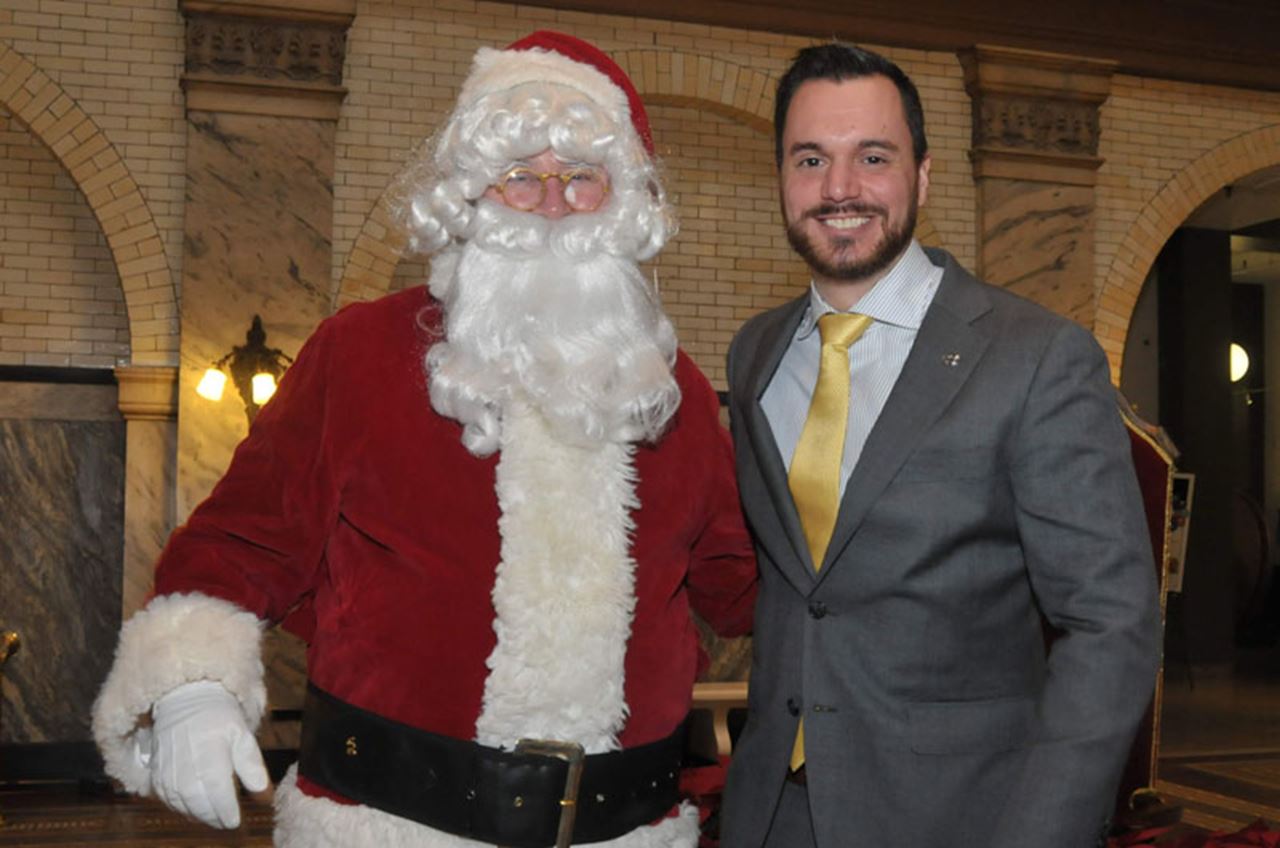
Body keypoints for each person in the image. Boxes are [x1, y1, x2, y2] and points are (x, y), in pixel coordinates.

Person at [93, 31, 756, 848]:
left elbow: (744, 583)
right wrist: (192, 684)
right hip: (393, 824)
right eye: (521, 176)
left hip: (628, 830)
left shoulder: (674, 389)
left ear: (623, 203)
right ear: (471, 196)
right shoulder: (362, 353)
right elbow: (243, 539)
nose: (552, 201)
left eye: (582, 176)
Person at [719, 42, 1160, 848]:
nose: (840, 188)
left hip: (963, 816)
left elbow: (1111, 624)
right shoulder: (754, 355)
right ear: (781, 177)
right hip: (772, 814)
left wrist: (1043, 831)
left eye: (873, 156)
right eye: (810, 158)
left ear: (921, 176)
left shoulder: (1035, 356)